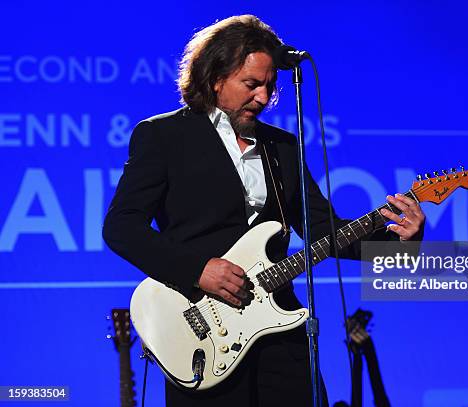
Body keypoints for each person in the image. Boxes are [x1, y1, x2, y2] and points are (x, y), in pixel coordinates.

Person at [102, 14, 425, 407]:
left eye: (269, 87)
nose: (262, 97)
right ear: (214, 78)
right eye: (251, 84)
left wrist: (399, 241)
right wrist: (197, 269)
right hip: (202, 333)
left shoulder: (282, 147)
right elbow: (121, 227)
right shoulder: (163, 136)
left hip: (280, 332)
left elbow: (325, 231)